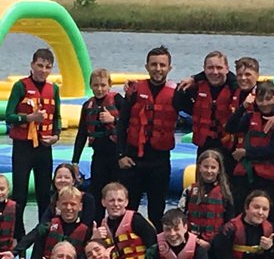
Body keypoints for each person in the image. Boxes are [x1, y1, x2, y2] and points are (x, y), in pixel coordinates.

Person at [117, 46, 185, 228]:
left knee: (157, 210)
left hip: (159, 161)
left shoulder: (178, 93)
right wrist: (121, 155)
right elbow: (122, 123)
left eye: (162, 65)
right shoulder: (135, 90)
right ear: (147, 66)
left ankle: (156, 249)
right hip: (133, 160)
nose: (158, 68)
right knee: (128, 210)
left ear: (170, 68)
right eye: (154, 64)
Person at [5, 48, 62, 219]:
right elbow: (8, 116)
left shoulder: (54, 89)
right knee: (20, 194)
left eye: (48, 67)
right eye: (40, 65)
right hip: (23, 147)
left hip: (44, 147)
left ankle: (43, 233)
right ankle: (16, 235)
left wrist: (56, 136)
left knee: (45, 194)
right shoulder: (20, 86)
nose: (43, 71)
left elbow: (56, 117)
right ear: (32, 65)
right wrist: (29, 118)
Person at [227, 80, 274, 223]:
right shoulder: (250, 116)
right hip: (245, 177)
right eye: (260, 100)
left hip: (267, 180)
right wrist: (243, 106)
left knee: (269, 220)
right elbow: (230, 127)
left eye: (268, 99)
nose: (264, 104)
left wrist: (246, 153)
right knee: (239, 217)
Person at [72, 68, 120, 220]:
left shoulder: (118, 100)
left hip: (117, 156)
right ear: (91, 86)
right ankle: (96, 227)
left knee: (117, 193)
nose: (99, 89)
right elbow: (81, 135)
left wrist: (113, 120)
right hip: (99, 157)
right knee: (96, 195)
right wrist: (75, 160)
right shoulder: (87, 106)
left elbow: (129, 125)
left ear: (109, 85)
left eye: (103, 85)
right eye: (96, 85)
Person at [176, 51, 239, 163]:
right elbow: (178, 102)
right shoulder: (196, 87)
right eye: (210, 68)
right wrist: (194, 78)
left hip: (229, 147)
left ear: (227, 69)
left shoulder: (235, 89)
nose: (215, 72)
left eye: (219, 67)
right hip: (204, 145)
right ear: (204, 69)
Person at [93, 181, 157, 259]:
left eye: (120, 200)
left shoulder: (136, 220)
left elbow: (154, 245)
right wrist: (95, 239)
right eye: (111, 200)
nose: (116, 204)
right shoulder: (103, 225)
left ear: (126, 202)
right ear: (103, 202)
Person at [17, 185, 91, 259]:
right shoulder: (47, 227)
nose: (69, 208)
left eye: (73, 204)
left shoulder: (86, 232)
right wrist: (13, 252)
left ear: (80, 207)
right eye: (64, 204)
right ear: (58, 205)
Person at [179, 148, 233, 246]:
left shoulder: (226, 193)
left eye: (213, 167)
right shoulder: (189, 190)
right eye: (206, 167)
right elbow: (179, 215)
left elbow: (230, 221)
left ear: (219, 170)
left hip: (216, 242)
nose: (209, 171)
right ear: (199, 168)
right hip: (192, 240)